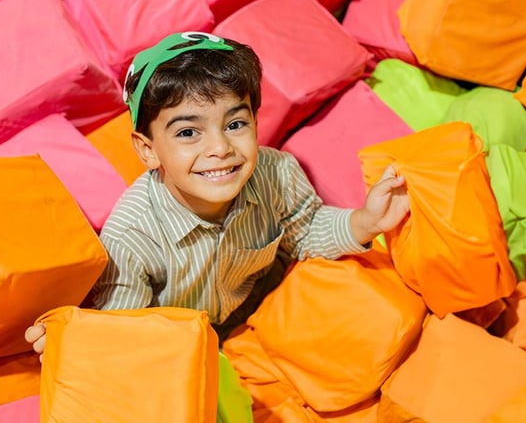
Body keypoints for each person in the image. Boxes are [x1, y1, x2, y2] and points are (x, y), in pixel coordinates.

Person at [25, 31, 409, 355]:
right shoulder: (131, 236)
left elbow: (305, 231)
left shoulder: (276, 172)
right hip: (182, 351)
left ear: (256, 122)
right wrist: (81, 345)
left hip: (262, 318)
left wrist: (365, 220)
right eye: (188, 133)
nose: (220, 148)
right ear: (148, 150)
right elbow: (124, 330)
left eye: (235, 124)